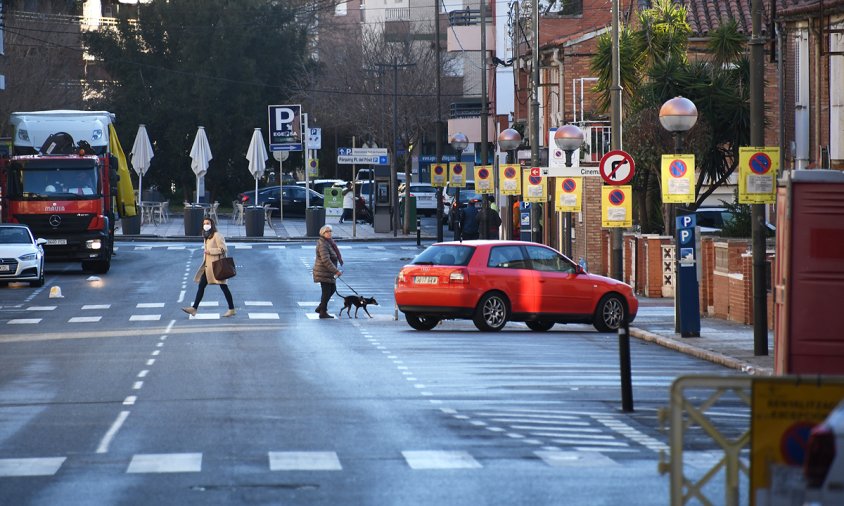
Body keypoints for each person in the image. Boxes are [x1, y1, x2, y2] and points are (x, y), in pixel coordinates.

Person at [182, 217, 236, 317]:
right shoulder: (206, 236)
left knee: (224, 287)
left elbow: (224, 249)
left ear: (212, 225)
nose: (206, 225)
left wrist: (210, 251)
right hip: (208, 267)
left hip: (217, 267)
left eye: (208, 223)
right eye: (204, 223)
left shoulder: (217, 235)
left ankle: (232, 309)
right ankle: (194, 308)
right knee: (201, 286)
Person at [313, 224, 342, 319]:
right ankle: (322, 311)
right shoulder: (323, 244)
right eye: (327, 231)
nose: (329, 233)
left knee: (332, 289)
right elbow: (326, 260)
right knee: (326, 292)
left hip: (328, 272)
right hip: (323, 271)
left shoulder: (329, 242)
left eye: (330, 231)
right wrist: (336, 271)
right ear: (322, 233)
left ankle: (321, 308)